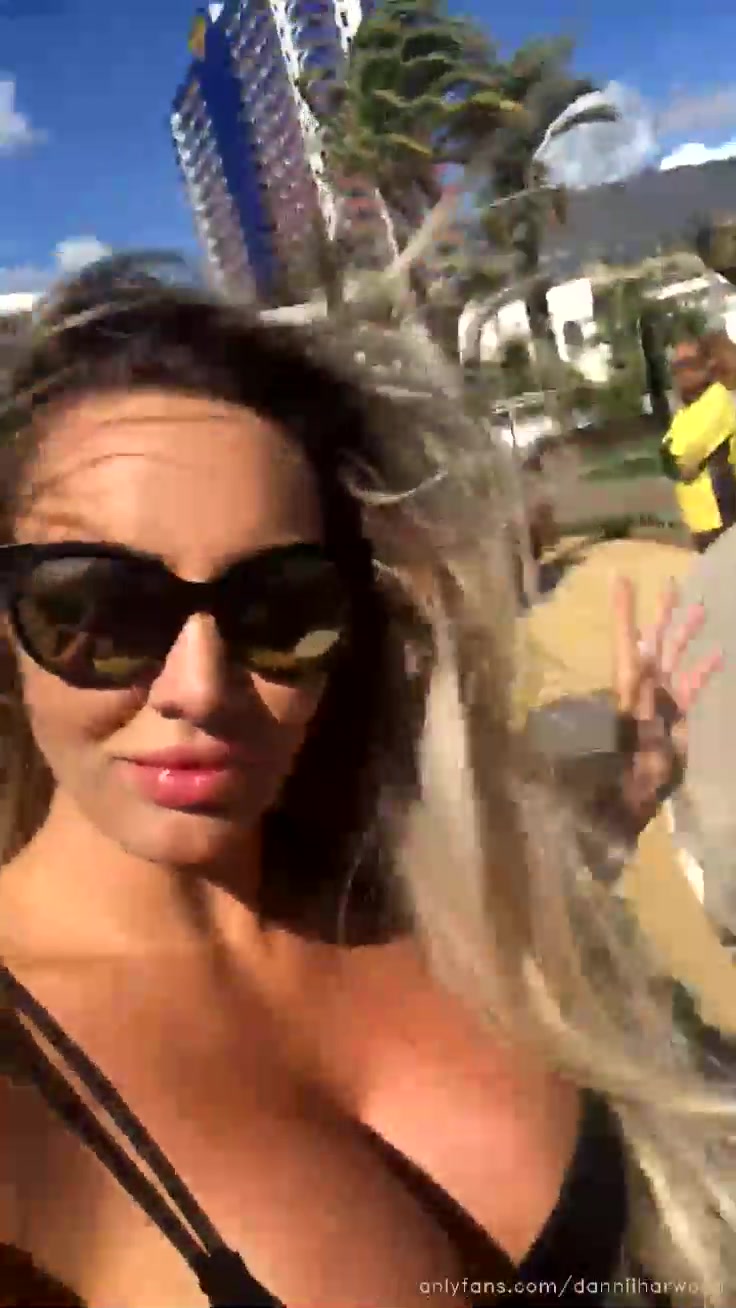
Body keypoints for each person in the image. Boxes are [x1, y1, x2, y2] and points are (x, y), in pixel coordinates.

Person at [0, 259, 733, 1308]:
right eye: (99, 609)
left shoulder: (443, 899)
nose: (200, 688)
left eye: (280, 609)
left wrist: (628, 798)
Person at [661, 339, 736, 553]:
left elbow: (684, 454)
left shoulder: (718, 399)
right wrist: (673, 458)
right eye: (676, 368)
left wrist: (675, 457)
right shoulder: (685, 411)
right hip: (700, 522)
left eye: (689, 364)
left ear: (708, 365)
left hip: (724, 517)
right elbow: (667, 457)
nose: (682, 374)